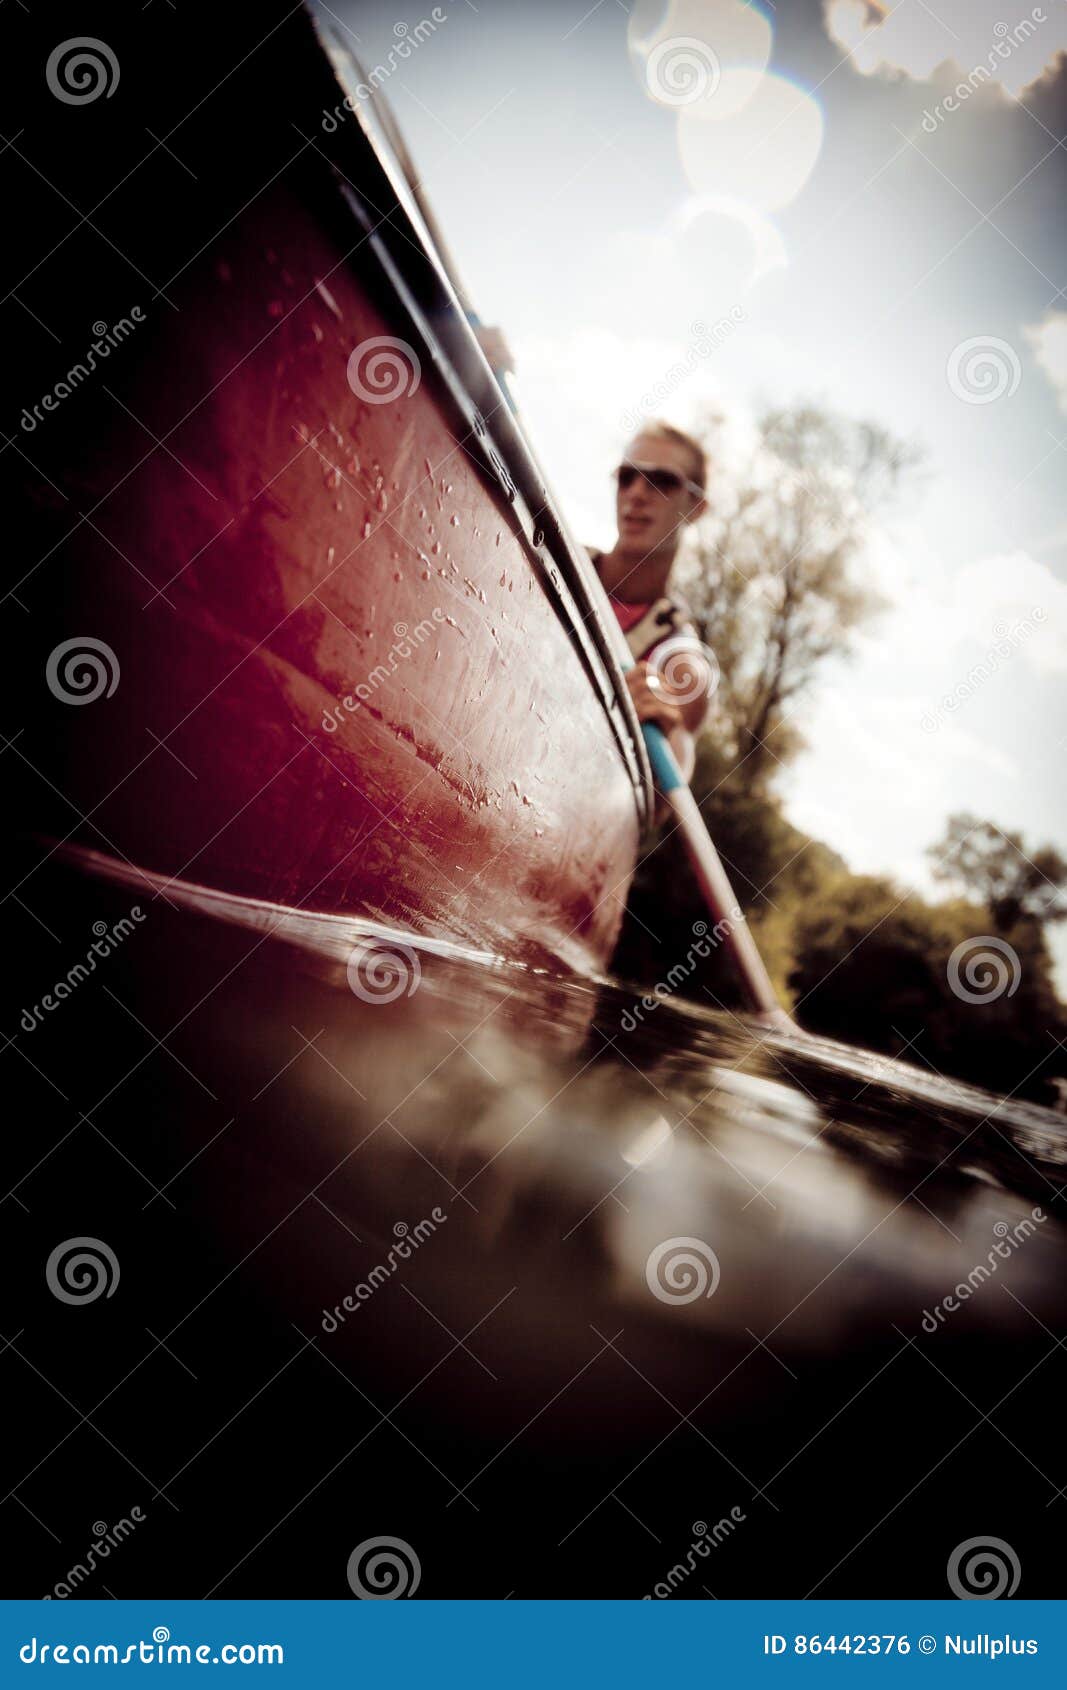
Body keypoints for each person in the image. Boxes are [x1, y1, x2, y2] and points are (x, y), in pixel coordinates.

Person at [589, 421, 714, 785]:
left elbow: (661, 808)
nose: (637, 493)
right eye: (627, 477)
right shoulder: (545, 563)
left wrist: (667, 728)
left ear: (696, 508)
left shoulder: (681, 664)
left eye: (662, 482)